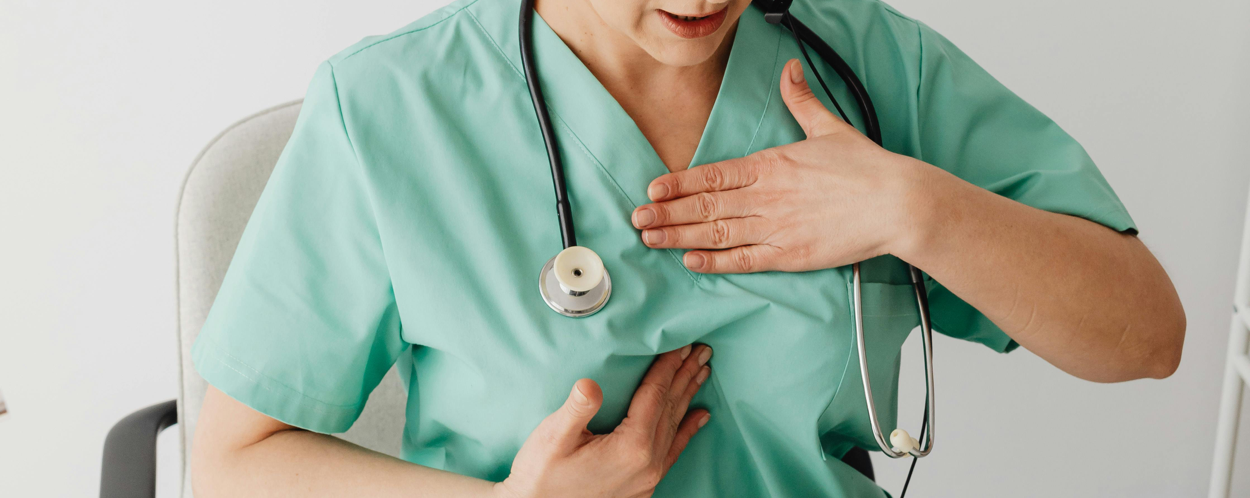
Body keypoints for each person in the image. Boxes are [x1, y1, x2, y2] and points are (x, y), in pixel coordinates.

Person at [190, 0, 1186, 496]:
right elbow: (234, 462)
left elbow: (1143, 336)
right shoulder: (393, 108)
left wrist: (915, 208)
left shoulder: (866, 68)